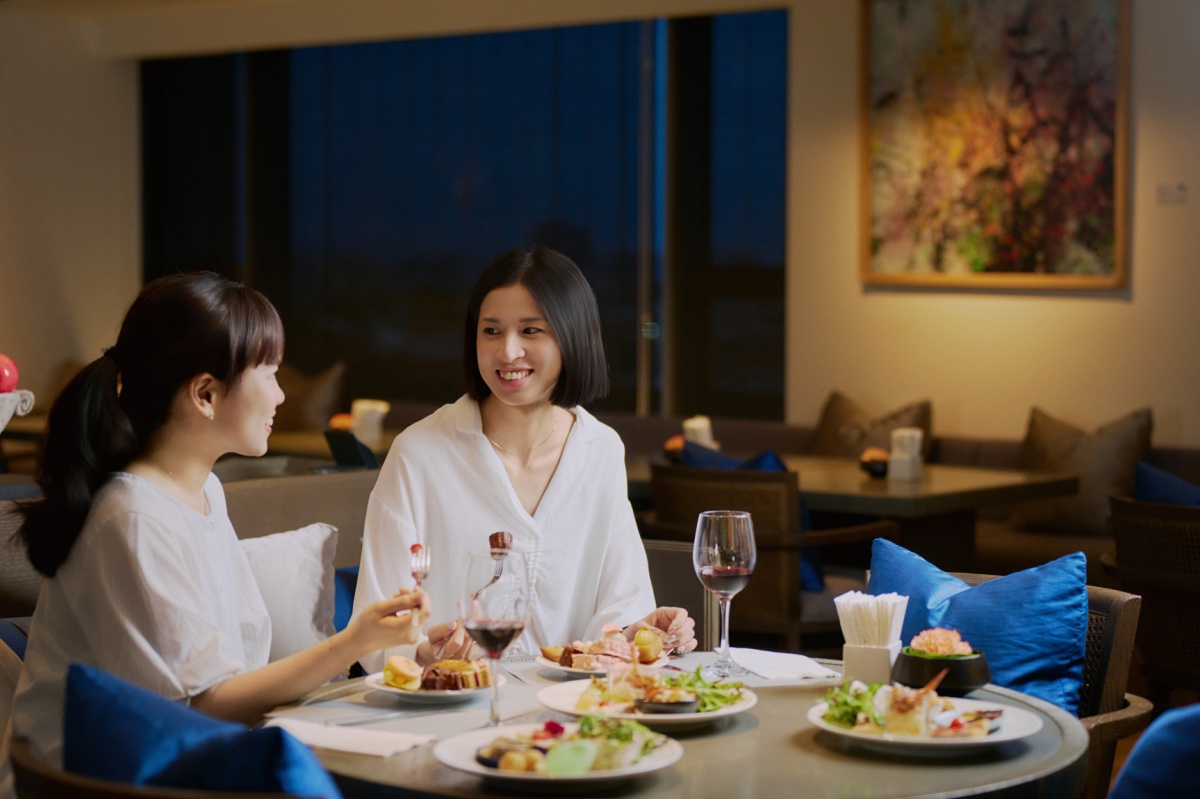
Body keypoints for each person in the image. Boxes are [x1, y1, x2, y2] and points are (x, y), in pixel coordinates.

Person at [5, 272, 429, 771]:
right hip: (97, 780)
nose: (280, 396)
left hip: (179, 755)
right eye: (269, 374)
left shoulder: (202, 489)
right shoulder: (134, 517)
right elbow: (203, 707)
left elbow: (222, 686)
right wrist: (353, 642)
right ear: (205, 394)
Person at [352, 246, 695, 671]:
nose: (508, 351)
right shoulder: (418, 453)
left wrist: (637, 631)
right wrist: (422, 651)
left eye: (531, 331)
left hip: (570, 701)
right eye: (491, 331)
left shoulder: (600, 449)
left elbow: (621, 602)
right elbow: (372, 635)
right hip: (455, 698)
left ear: (572, 336)